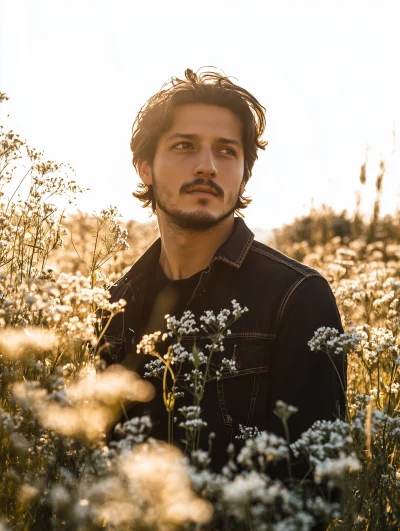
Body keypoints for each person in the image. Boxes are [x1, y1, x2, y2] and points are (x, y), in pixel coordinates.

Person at [99, 68, 347, 480]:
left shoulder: (298, 297)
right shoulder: (116, 305)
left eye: (227, 151)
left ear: (244, 172)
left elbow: (315, 485)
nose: (208, 167)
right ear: (145, 167)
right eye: (184, 146)